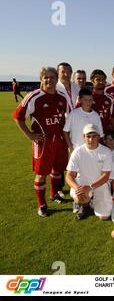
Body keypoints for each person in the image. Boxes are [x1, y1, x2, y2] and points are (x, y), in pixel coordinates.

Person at [12, 67, 69, 216]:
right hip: (43, 142)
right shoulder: (34, 97)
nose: (49, 80)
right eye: (46, 77)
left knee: (57, 170)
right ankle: (41, 204)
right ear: (41, 80)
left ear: (57, 79)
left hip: (60, 140)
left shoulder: (62, 97)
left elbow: (68, 117)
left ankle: (54, 194)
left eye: (52, 77)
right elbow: (18, 116)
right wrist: (29, 134)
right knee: (41, 173)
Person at [66, 124, 113, 220]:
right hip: (81, 183)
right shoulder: (77, 152)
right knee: (80, 197)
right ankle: (84, 205)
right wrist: (77, 188)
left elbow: (105, 176)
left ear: (99, 137)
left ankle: (91, 200)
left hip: (100, 183)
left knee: (104, 217)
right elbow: (69, 176)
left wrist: (90, 187)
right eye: (88, 136)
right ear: (83, 137)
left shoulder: (106, 151)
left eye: (94, 136)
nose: (91, 139)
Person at [63, 88, 103, 153]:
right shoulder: (73, 113)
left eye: (90, 100)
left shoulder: (96, 115)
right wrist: (70, 146)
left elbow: (100, 135)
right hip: (76, 150)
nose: (88, 102)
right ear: (80, 100)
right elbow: (65, 131)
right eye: (85, 100)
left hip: (91, 151)